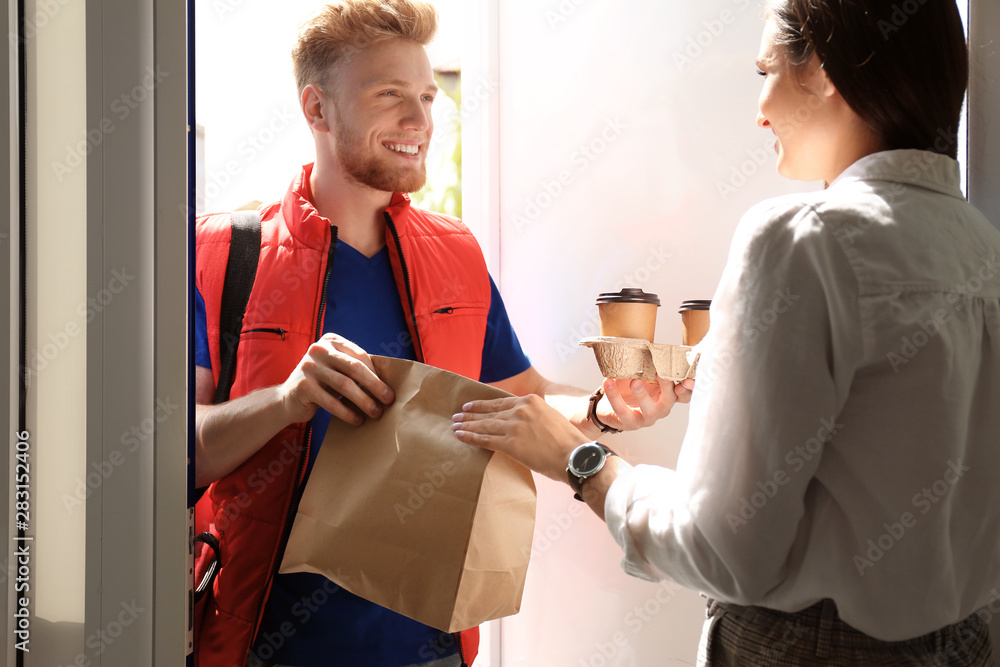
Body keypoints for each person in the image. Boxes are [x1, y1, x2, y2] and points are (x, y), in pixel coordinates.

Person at [453, 0, 1000, 664]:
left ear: (824, 70)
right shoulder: (981, 247)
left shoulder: (802, 241)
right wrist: (723, 370)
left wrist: (581, 461)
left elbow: (723, 549)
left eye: (766, 69)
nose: (759, 109)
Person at [192, 2, 676, 666]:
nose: (421, 120)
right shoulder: (221, 253)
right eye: (391, 96)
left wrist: (601, 409)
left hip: (433, 651)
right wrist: (286, 399)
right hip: (262, 650)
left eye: (425, 96)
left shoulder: (455, 253)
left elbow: (520, 394)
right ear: (317, 109)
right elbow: (171, 454)